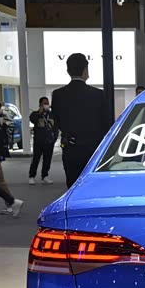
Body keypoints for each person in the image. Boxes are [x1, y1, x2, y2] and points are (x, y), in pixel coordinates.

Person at [51, 53, 107, 188]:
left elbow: (56, 120)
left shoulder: (58, 94)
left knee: (72, 185)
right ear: (85, 70)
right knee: (92, 186)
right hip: (93, 148)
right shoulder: (98, 94)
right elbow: (105, 123)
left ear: (68, 71)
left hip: (70, 147)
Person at [28, 96, 56, 185]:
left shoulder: (52, 115)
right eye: (45, 103)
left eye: (47, 103)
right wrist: (40, 112)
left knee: (47, 159)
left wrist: (54, 138)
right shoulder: (35, 114)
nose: (47, 105)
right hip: (38, 141)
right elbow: (33, 120)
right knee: (36, 159)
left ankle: (45, 176)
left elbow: (55, 127)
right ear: (40, 104)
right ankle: (32, 176)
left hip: (49, 141)